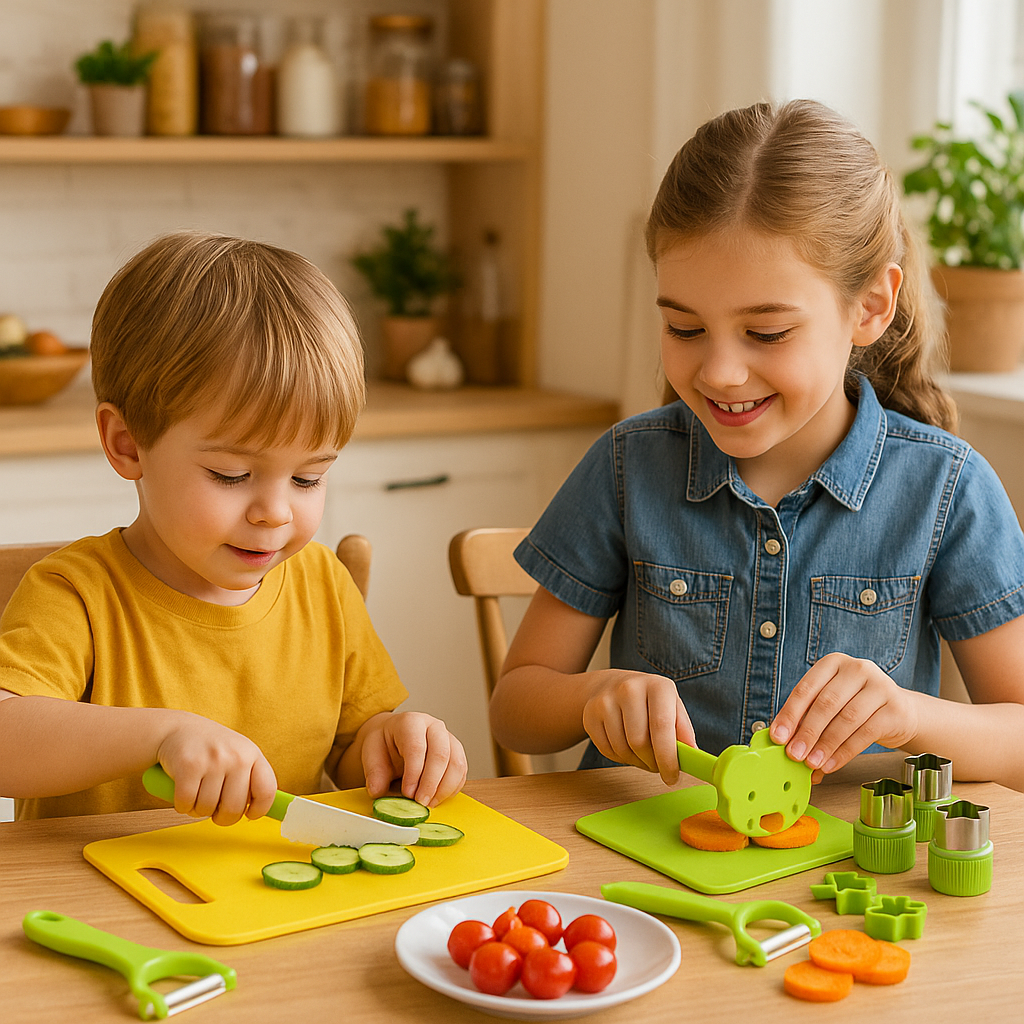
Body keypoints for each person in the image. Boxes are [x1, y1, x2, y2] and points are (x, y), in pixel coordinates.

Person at [490, 99, 1024, 793]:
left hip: (847, 873)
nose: (718, 372)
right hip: (637, 860)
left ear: (869, 308)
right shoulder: (627, 468)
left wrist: (907, 716)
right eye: (684, 328)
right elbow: (516, 710)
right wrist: (593, 696)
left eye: (766, 333)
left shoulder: (947, 489)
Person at [0, 231, 467, 822]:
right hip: (98, 903)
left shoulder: (321, 582)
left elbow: (351, 749)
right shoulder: (76, 593)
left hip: (271, 904)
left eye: (308, 478)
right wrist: (161, 734)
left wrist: (394, 742)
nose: (275, 512)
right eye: (230, 474)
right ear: (127, 444)